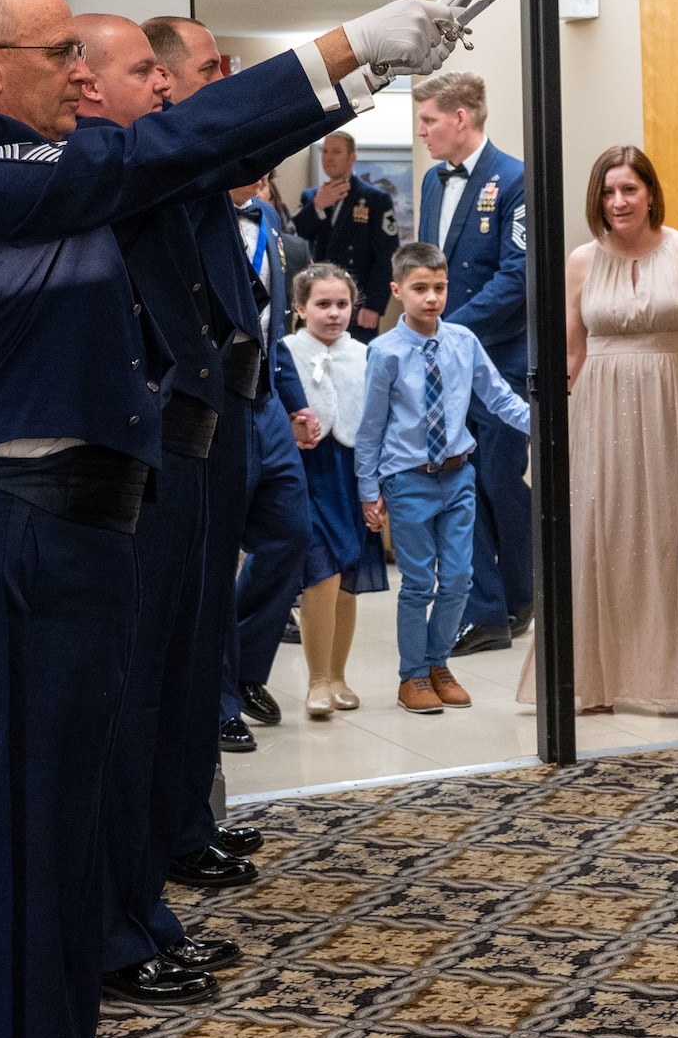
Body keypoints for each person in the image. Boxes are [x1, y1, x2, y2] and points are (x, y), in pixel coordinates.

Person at [0, 0, 452, 1038]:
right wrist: (341, 41)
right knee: (42, 858)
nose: (85, 79)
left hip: (78, 538)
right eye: (61, 57)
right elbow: (164, 145)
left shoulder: (64, 173)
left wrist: (359, 80)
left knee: (70, 837)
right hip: (22, 539)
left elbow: (202, 152)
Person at [71, 13, 238, 1012]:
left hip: (176, 451)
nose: (171, 89)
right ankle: (122, 930)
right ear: (91, 85)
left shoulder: (130, 159)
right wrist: (343, 63)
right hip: (129, 467)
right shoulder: (98, 165)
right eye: (150, 72)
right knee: (127, 711)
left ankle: (141, 917)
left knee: (164, 686)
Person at [145, 15, 279, 880]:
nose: (222, 78)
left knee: (202, 642)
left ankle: (193, 818)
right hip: (189, 416)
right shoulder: (166, 155)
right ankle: (179, 832)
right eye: (209, 67)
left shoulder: (193, 154)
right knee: (183, 637)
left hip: (232, 402)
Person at [552, 146, 678, 719]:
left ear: (650, 193)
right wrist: (553, 430)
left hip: (675, 406)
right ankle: (597, 679)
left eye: (629, 190)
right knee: (603, 533)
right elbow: (571, 350)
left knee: (677, 535)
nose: (618, 202)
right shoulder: (580, 261)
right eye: (608, 192)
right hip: (600, 410)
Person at [357, 242, 533, 713]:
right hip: (408, 478)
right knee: (418, 583)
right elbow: (370, 426)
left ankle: (438, 664)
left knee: (459, 578)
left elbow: (498, 398)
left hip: (458, 477)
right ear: (397, 291)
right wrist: (368, 490)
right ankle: (412, 675)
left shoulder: (463, 341)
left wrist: (546, 422)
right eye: (419, 289)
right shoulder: (385, 352)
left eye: (439, 288)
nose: (431, 298)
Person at [414, 70, 531, 653]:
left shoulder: (515, 180)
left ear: (461, 118)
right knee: (459, 480)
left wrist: (449, 329)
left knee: (499, 480)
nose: (422, 132)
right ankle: (486, 608)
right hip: (445, 365)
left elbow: (519, 278)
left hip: (501, 360)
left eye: (429, 120)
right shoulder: (434, 181)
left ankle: (519, 592)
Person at [276, 263, 388, 717]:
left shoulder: (366, 355)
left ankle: (339, 675)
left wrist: (377, 485)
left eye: (342, 304)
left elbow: (379, 423)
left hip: (352, 474)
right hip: (306, 475)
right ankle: (317, 680)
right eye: (323, 304)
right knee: (320, 575)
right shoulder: (284, 352)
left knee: (347, 580)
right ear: (300, 308)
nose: (335, 313)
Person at [225, 177, 313, 748]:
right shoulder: (190, 210)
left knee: (290, 534)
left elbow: (273, 335)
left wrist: (296, 403)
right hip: (211, 407)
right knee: (211, 560)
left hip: (266, 404)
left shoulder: (272, 225)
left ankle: (245, 666)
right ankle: (217, 702)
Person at [294, 129, 397, 340]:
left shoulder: (375, 199)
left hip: (358, 301)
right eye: (325, 152)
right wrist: (318, 207)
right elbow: (295, 237)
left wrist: (374, 305)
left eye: (336, 152)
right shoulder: (312, 197)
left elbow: (386, 256)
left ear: (352, 157)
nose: (329, 158)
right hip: (319, 296)